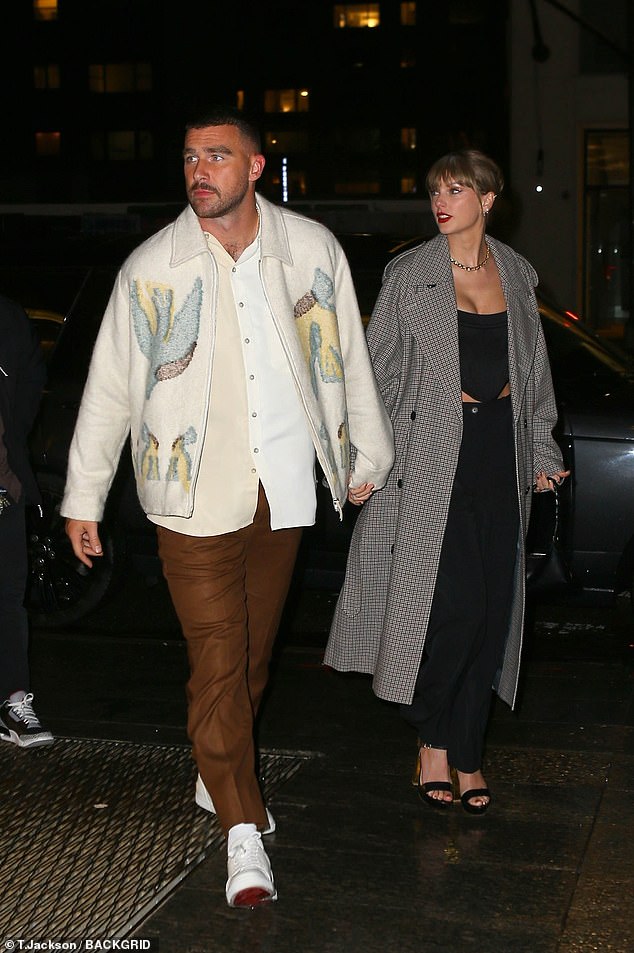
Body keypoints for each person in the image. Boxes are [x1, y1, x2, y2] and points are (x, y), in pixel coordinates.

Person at [62, 105, 394, 907]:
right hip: (188, 494)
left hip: (281, 490)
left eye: (215, 156)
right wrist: (84, 496)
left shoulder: (309, 248)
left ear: (254, 166)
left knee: (250, 658)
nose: (198, 170)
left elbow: (345, 354)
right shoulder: (153, 265)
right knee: (217, 658)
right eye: (188, 157)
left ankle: (216, 770)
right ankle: (243, 833)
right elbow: (109, 389)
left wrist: (366, 450)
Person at [324, 149, 569, 815]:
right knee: (457, 607)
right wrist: (361, 461)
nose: (441, 201)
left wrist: (540, 445)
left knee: (493, 609)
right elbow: (374, 378)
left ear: (487, 200)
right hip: (431, 455)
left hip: (500, 452)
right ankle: (433, 739)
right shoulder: (410, 274)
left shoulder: (516, 272)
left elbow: (535, 374)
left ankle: (467, 751)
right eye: (436, 190)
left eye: (456, 190)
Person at [0, 295, 54, 749]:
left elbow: (33, 378)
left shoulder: (8, 318)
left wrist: (13, 441)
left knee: (8, 596)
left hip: (4, 486)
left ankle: (13, 699)